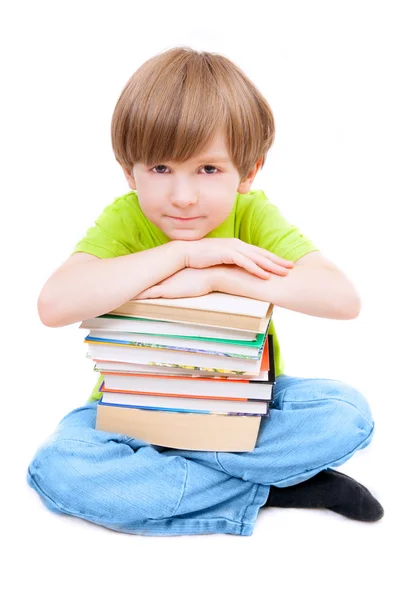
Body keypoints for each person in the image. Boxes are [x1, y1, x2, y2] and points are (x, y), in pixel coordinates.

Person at [27, 46, 383, 536]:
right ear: (128, 171)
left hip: (242, 407)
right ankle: (269, 485)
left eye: (209, 169)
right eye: (160, 169)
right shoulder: (126, 218)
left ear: (249, 171)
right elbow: (54, 304)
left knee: (346, 413)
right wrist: (180, 256)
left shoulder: (252, 215)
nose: (183, 196)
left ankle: (179, 475)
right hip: (129, 416)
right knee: (60, 468)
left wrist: (221, 276)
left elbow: (341, 299)